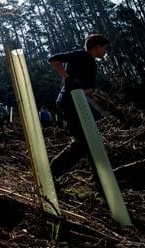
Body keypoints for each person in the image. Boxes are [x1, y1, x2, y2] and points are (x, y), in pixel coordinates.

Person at [47, 34, 110, 186]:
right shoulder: (80, 55)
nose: (105, 52)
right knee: (82, 141)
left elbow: (88, 89)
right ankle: (51, 174)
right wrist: (67, 78)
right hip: (68, 102)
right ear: (96, 47)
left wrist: (93, 95)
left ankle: (99, 178)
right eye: (104, 48)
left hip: (80, 102)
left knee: (92, 137)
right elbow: (54, 60)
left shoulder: (93, 64)